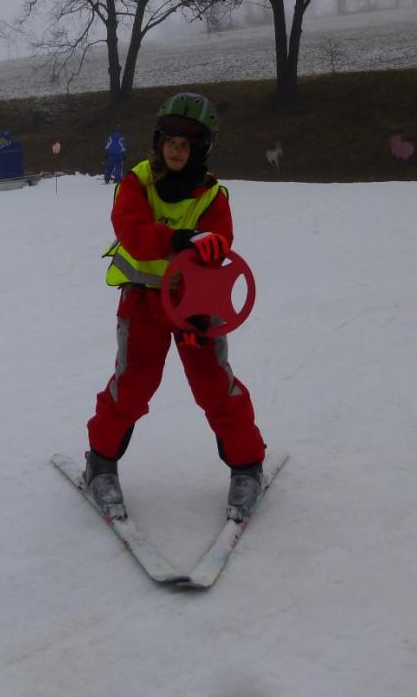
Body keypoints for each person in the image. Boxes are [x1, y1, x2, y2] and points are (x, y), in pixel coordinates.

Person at [83, 92, 266, 523]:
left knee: (215, 387)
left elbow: (221, 240)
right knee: (131, 386)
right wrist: (177, 240)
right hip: (143, 305)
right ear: (158, 140)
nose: (176, 148)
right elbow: (132, 232)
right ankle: (101, 462)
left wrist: (212, 248)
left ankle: (246, 466)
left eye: (187, 142)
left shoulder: (213, 195)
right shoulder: (137, 183)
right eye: (170, 139)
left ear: (202, 147)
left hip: (194, 308)